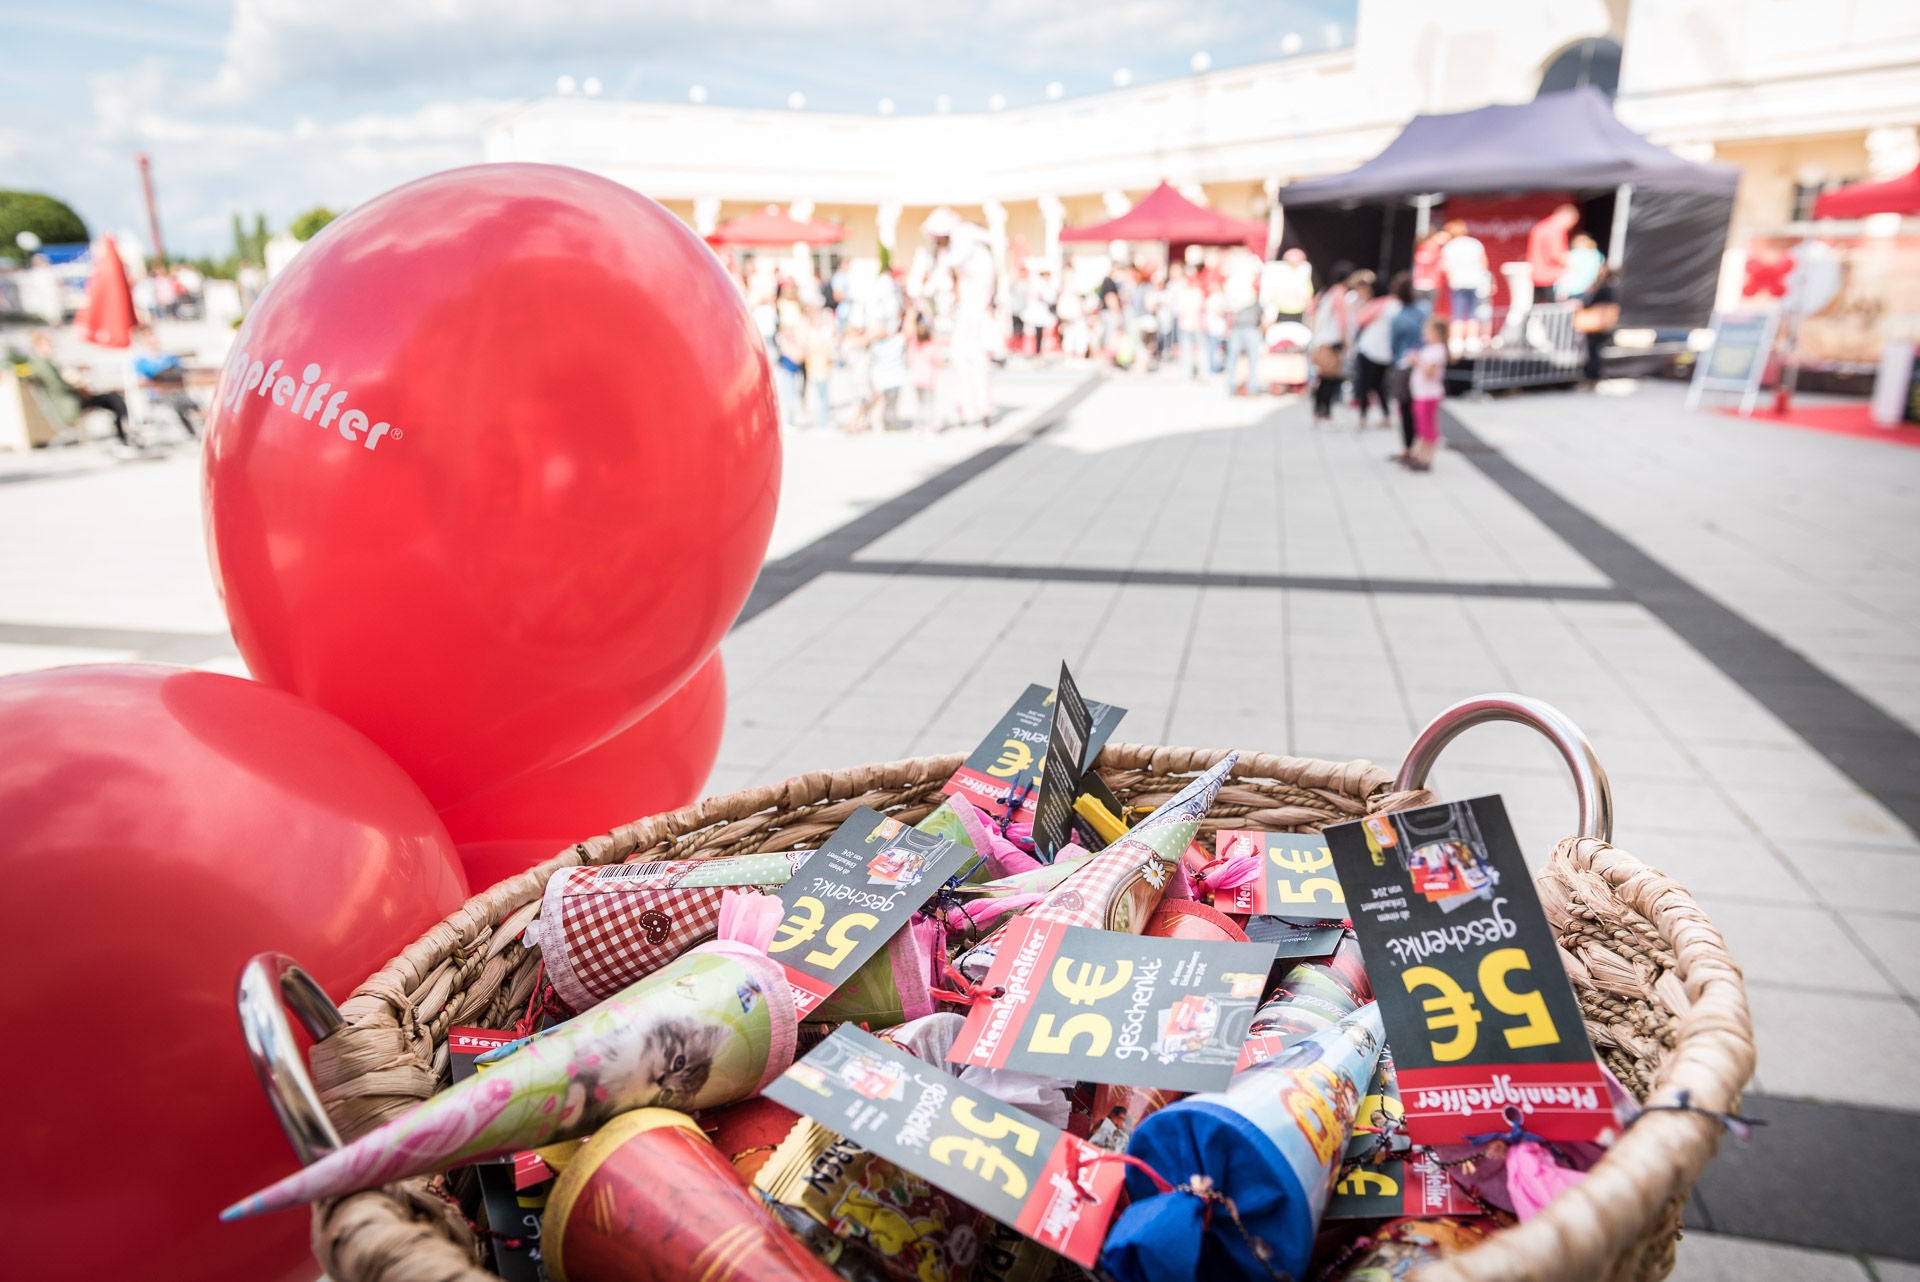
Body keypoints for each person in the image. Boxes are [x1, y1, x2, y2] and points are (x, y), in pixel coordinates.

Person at [24, 331, 134, 446]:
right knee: (113, 398)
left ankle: (123, 431)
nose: (52, 346)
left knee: (112, 398)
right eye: (48, 344)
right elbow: (57, 386)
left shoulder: (43, 363)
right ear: (38, 346)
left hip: (70, 401)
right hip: (69, 404)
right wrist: (76, 386)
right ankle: (123, 433)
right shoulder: (42, 364)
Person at [1385, 273, 1430, 463]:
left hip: (1404, 365)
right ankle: (1420, 447)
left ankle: (1408, 446)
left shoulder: (1398, 317)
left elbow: (1394, 345)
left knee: (1405, 408)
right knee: (1419, 407)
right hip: (1422, 364)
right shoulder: (1424, 311)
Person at [1307, 260, 1356, 424]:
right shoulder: (1339, 293)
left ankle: (1319, 412)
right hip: (1332, 341)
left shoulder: (1326, 292)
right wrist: (1347, 341)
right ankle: (1324, 413)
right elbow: (1342, 320)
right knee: (1329, 380)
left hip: (1322, 340)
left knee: (1324, 379)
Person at [1352, 271, 1401, 430]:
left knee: (1366, 385)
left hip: (1370, 350)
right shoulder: (1394, 304)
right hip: (1385, 352)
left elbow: (1359, 321)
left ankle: (1363, 418)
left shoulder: (1378, 305)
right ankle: (1385, 416)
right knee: (1380, 386)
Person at [132, 326, 201, 436]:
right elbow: (142, 381)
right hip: (159, 394)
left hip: (178, 390)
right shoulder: (141, 361)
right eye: (148, 338)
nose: (152, 340)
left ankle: (197, 424)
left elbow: (183, 370)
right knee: (178, 402)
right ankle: (192, 431)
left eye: (153, 337)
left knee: (184, 400)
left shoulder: (168, 357)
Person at [1438, 219, 1490, 354]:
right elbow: (1483, 263)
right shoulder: (1475, 244)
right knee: (1473, 312)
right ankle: (1471, 339)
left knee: (1458, 313)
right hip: (1475, 281)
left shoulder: (1450, 246)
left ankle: (1457, 341)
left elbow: (1446, 265)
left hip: (1458, 282)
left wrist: (1451, 279)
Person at [1406, 315, 1450, 472]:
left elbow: (1429, 372)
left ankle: (1426, 458)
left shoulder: (1438, 350)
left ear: (1437, 333)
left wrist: (1416, 361)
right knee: (1422, 427)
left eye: (1428, 331)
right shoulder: (1430, 349)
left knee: (1428, 428)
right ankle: (1419, 455)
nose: (1424, 334)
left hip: (1428, 395)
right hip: (1421, 394)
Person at [1222, 251, 1265, 396]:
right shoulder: (1235, 284)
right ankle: (1233, 386)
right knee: (1235, 359)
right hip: (1240, 326)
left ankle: (1251, 387)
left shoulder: (1255, 283)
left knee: (1251, 360)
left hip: (1250, 326)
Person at [1577, 265, 1621, 386]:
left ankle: (1592, 375)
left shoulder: (1604, 288)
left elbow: (1591, 303)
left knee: (1592, 350)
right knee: (1594, 349)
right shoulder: (1611, 287)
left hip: (1597, 322)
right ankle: (1593, 375)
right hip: (1601, 322)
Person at [1527, 203, 1580, 297]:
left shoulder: (1541, 226)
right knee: (1555, 309)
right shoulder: (1555, 229)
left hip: (1535, 276)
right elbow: (1556, 255)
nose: (1570, 227)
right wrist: (1569, 266)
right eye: (1572, 223)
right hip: (1550, 278)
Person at [1266, 247, 1314, 324]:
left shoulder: (1303, 273)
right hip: (1280, 311)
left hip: (1298, 312)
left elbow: (1307, 294)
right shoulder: (1278, 273)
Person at [1558, 234, 1604, 301]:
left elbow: (1567, 273)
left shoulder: (1574, 254)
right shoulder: (1596, 254)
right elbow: (1601, 271)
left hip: (1573, 289)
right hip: (1589, 288)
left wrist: (1562, 290)